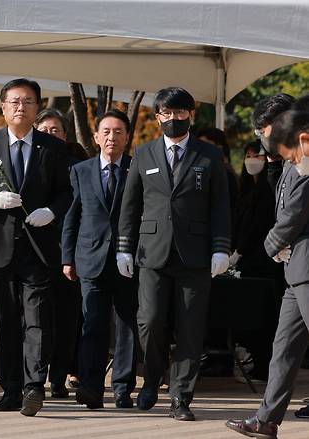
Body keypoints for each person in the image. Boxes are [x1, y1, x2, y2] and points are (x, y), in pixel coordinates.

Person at [117, 87, 231, 421]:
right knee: (150, 321)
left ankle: (181, 396)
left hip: (195, 254)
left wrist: (220, 247)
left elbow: (220, 206)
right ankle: (152, 379)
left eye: (179, 113)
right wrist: (124, 248)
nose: (173, 119)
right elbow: (130, 204)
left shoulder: (208, 155)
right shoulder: (144, 153)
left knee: (191, 328)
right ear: (157, 117)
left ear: (190, 114)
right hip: (152, 252)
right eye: (166, 113)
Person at [0, 78, 72, 416]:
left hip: (37, 247)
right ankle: (10, 387)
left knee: (37, 318)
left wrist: (52, 211)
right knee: (4, 321)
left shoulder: (52, 147)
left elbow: (67, 192)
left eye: (27, 101)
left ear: (37, 107)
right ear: (3, 107)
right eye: (14, 101)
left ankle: (34, 385)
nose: (20, 107)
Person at [226, 108, 309, 439]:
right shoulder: (288, 161)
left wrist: (272, 244)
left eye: (266, 129)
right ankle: (266, 419)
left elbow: (296, 210)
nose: (264, 137)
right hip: (296, 268)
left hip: (305, 264)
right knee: (284, 348)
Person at [62, 109, 138, 410]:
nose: (112, 137)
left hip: (127, 260)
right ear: (95, 137)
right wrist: (67, 257)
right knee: (92, 325)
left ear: (127, 136)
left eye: (118, 131)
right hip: (90, 258)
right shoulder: (81, 171)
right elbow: (72, 216)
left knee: (126, 326)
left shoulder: (137, 169)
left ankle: (122, 388)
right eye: (106, 131)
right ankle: (91, 387)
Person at [34, 107, 83, 397]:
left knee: (67, 320)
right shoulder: (27, 164)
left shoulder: (77, 166)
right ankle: (36, 377)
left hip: (68, 253)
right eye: (44, 131)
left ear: (65, 136)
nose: (50, 136)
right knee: (38, 319)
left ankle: (59, 378)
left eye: (56, 131)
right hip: (35, 251)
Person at [228, 141, 280, 384]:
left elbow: (260, 224)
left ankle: (263, 368)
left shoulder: (271, 186)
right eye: (247, 156)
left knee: (265, 317)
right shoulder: (245, 189)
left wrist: (239, 250)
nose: (251, 160)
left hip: (265, 260)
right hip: (246, 260)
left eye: (256, 155)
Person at [252, 93, 296, 189]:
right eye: (260, 132)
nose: (263, 136)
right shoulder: (286, 163)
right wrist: (273, 163)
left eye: (262, 130)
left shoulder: (301, 164)